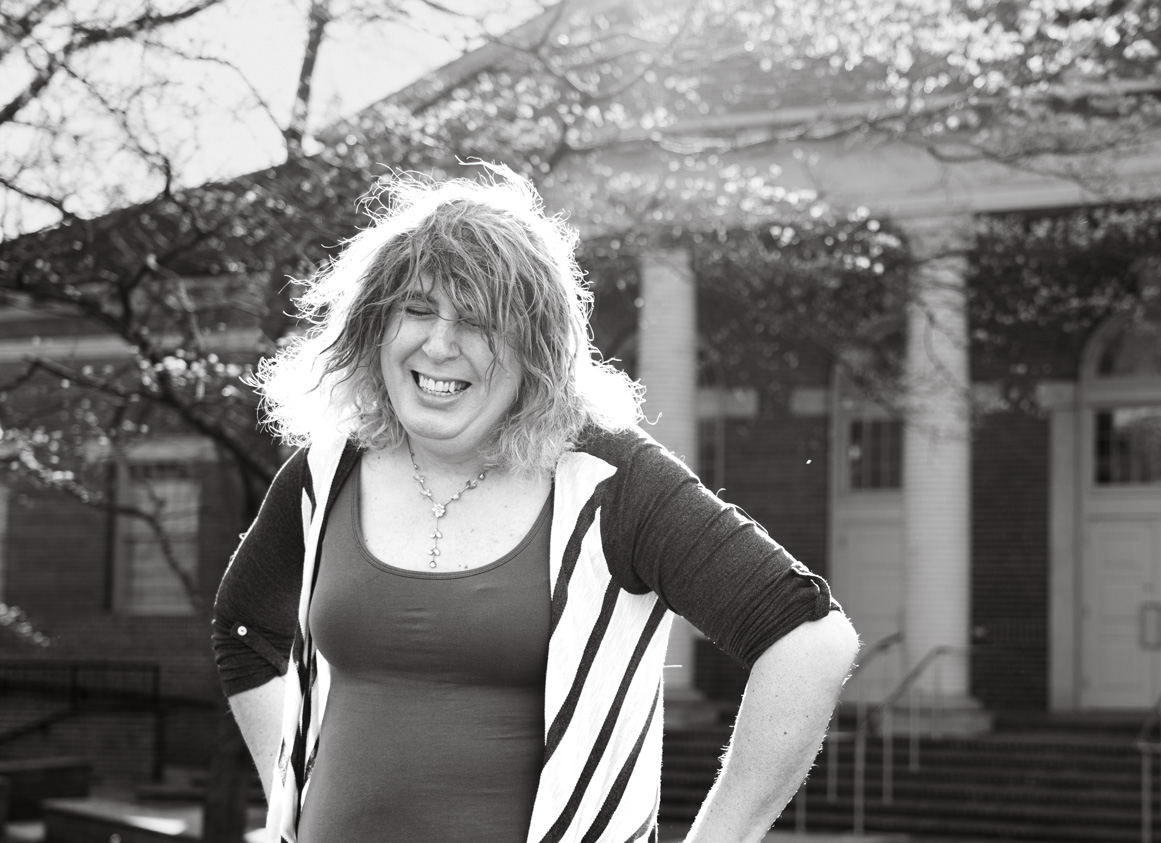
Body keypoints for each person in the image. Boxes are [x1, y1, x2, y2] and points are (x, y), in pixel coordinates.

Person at [211, 169, 859, 843]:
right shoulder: (328, 471)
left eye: (478, 320)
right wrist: (296, 799)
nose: (438, 344)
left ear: (535, 348)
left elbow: (810, 642)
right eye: (418, 309)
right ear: (376, 324)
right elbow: (244, 632)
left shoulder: (611, 480)